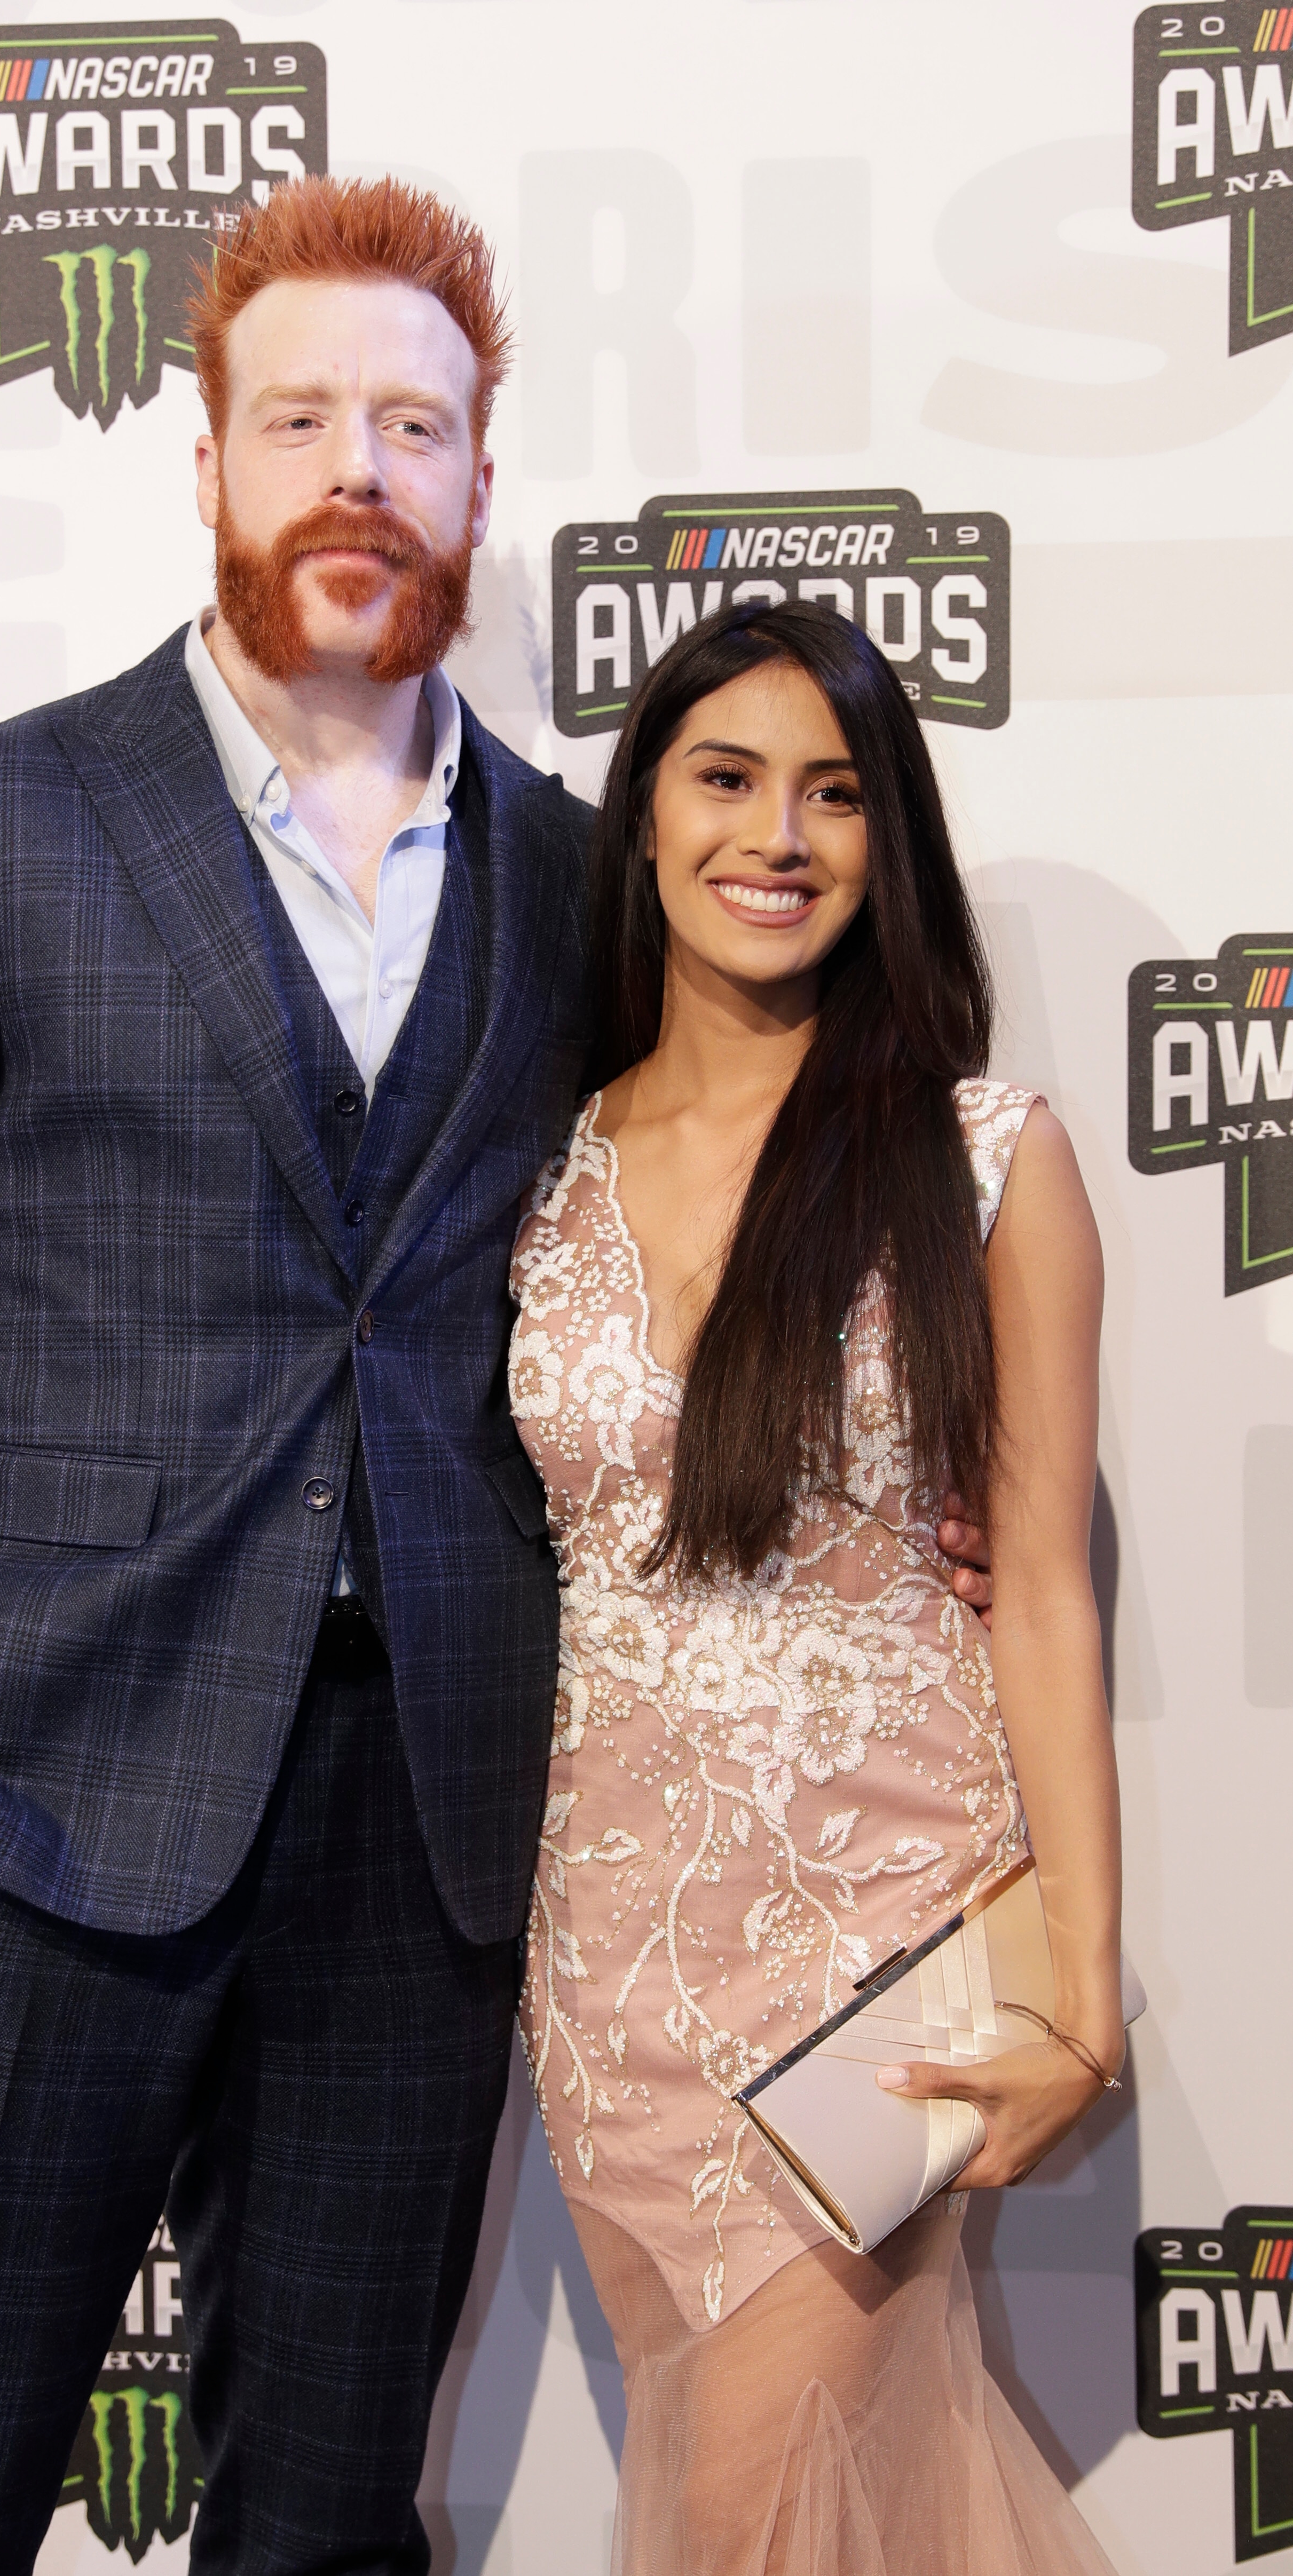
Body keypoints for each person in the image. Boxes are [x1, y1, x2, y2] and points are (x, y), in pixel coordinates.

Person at [0, 179, 992, 2573]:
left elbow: (738, 1198)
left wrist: (904, 1493)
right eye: (301, 420)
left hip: (431, 1832)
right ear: (208, 461)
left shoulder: (586, 880)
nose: (357, 471)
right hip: (27, 1806)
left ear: (481, 479)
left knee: (321, 2528)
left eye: (414, 424)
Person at [509, 600, 1124, 2575]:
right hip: (602, 1976)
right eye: (726, 777)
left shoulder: (980, 1159)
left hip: (875, 1959)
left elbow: (1041, 1591)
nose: (775, 836)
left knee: (745, 2527)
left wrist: (1081, 1997)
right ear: (646, 812)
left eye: (835, 793)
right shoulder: (533, 1166)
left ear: (888, 841)